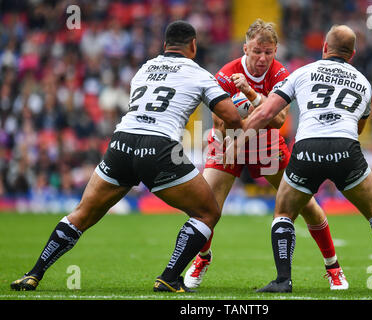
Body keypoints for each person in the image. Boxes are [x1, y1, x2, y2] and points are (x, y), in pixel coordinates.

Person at [10, 21, 243, 293]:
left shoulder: (144, 69)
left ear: (164, 45)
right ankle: (169, 277)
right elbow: (230, 116)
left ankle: (34, 273)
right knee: (207, 212)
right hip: (160, 147)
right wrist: (242, 106)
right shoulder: (200, 74)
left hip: (121, 142)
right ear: (193, 46)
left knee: (82, 214)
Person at [226, 25, 372, 293]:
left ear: (324, 48)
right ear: (352, 54)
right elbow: (359, 128)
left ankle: (283, 280)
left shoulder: (303, 72)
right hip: (346, 147)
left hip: (308, 148)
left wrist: (238, 142)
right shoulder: (364, 82)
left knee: (284, 212)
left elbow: (265, 114)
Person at [184, 19, 348, 291]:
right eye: (257, 51)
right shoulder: (226, 73)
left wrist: (249, 94)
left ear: (276, 51)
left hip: (266, 143)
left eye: (268, 52)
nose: (262, 58)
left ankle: (333, 268)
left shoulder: (280, 73)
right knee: (205, 206)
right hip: (230, 142)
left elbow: (279, 119)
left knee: (305, 204)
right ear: (245, 48)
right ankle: (202, 259)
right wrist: (236, 131)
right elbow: (218, 123)